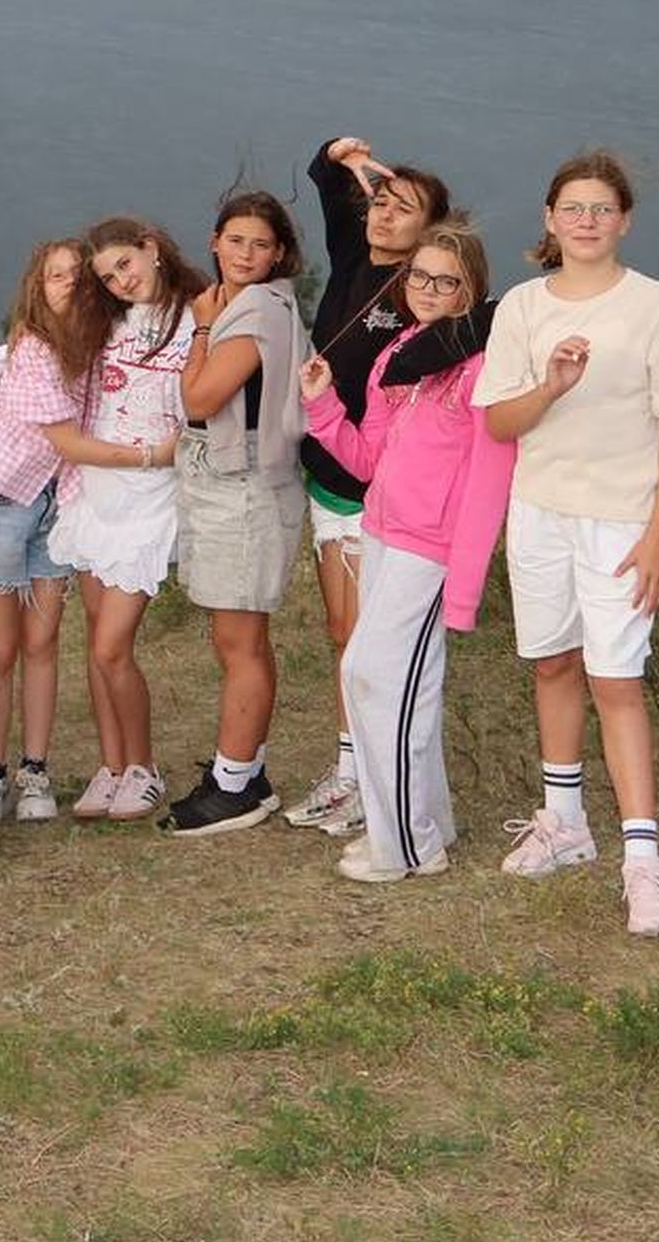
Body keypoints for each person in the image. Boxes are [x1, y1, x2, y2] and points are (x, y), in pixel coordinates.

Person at [475, 151, 659, 937]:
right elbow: (500, 422)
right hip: (540, 510)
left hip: (621, 520)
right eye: (572, 207)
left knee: (616, 678)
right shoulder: (522, 308)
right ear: (549, 218)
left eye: (601, 208)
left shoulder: (655, 305)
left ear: (624, 221)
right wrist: (551, 384)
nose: (586, 220)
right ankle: (566, 821)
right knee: (553, 663)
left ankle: (643, 862)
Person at [299, 218, 513, 879]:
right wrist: (322, 405)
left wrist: (464, 586)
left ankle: (403, 848)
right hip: (382, 533)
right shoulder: (400, 355)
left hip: (431, 549)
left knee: (372, 674)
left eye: (446, 281)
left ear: (471, 289)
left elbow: (489, 482)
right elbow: (369, 461)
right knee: (406, 688)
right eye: (419, 276)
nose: (427, 289)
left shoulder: (482, 368)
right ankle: (426, 826)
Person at [288, 136, 453, 837]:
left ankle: (376, 778)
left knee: (369, 642)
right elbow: (326, 182)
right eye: (380, 202)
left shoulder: (424, 294)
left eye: (404, 208)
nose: (384, 215)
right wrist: (339, 154)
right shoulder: (356, 258)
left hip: (375, 486)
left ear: (432, 228)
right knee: (342, 633)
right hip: (328, 476)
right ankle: (352, 769)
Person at [0, 238, 110, 825]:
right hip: (1, 500)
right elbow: (67, 439)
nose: (67, 284)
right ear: (37, 287)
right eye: (55, 275)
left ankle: (34, 770)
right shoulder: (34, 348)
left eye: (77, 275)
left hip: (56, 502)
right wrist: (150, 456)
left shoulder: (95, 346)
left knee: (43, 641)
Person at [163, 191, 309, 836]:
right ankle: (244, 771)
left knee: (240, 641)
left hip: (244, 484)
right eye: (236, 240)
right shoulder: (237, 303)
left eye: (261, 244)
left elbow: (199, 398)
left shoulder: (256, 311)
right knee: (238, 637)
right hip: (224, 476)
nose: (246, 254)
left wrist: (200, 328)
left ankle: (234, 788)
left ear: (279, 254)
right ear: (215, 241)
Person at [47, 219, 201, 822]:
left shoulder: (197, 317)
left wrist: (168, 453)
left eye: (126, 265)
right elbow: (35, 341)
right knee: (95, 640)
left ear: (152, 249)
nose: (120, 282)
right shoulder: (105, 322)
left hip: (153, 494)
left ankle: (145, 768)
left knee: (114, 646)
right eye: (108, 277)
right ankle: (112, 767)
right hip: (97, 490)